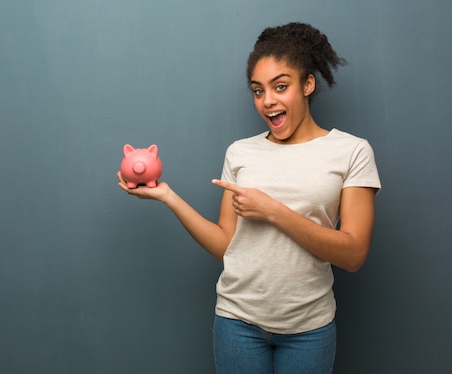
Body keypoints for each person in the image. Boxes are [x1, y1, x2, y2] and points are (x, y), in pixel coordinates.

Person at [117, 22, 381, 374]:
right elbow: (228, 246)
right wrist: (168, 197)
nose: (268, 101)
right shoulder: (241, 153)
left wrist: (272, 210)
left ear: (307, 84)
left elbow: (354, 254)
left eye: (280, 86)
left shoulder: (351, 151)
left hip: (309, 328)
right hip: (237, 323)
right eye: (258, 91)